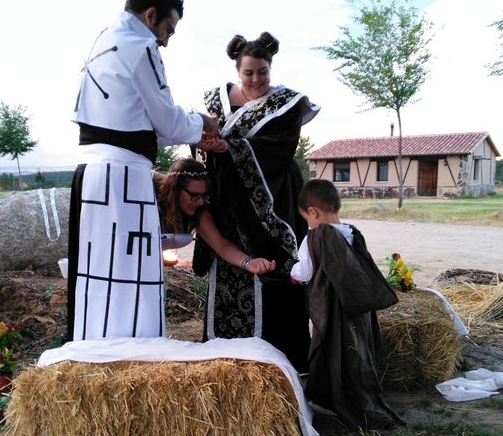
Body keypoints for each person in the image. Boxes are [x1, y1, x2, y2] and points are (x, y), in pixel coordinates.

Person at [66, 0, 218, 342]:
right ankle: (132, 353)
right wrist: (202, 123)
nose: (166, 40)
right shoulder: (141, 45)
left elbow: (140, 125)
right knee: (131, 279)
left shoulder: (104, 39)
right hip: (123, 178)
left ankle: (95, 351)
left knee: (98, 276)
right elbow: (166, 120)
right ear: (150, 16)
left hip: (91, 176)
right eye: (168, 29)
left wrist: (191, 132)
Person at [193, 32, 319, 372]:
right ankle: (225, 355)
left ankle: (280, 359)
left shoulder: (286, 104)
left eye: (262, 71)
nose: (256, 79)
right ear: (238, 70)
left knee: (273, 266)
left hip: (272, 196)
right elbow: (207, 135)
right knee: (228, 261)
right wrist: (207, 144)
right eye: (249, 73)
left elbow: (279, 150)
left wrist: (230, 148)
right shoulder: (218, 101)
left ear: (270, 68)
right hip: (226, 198)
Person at [291, 179, 404, 430]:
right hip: (355, 308)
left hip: (331, 307)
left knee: (329, 348)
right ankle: (359, 392)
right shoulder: (352, 234)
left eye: (306, 218)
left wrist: (293, 272)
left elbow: (305, 271)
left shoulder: (314, 237)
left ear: (312, 212)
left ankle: (333, 396)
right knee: (356, 349)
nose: (308, 224)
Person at [157, 158, 276, 275]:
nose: (200, 202)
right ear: (175, 189)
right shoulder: (150, 199)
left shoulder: (199, 212)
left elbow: (221, 245)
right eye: (194, 196)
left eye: (203, 196)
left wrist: (249, 263)